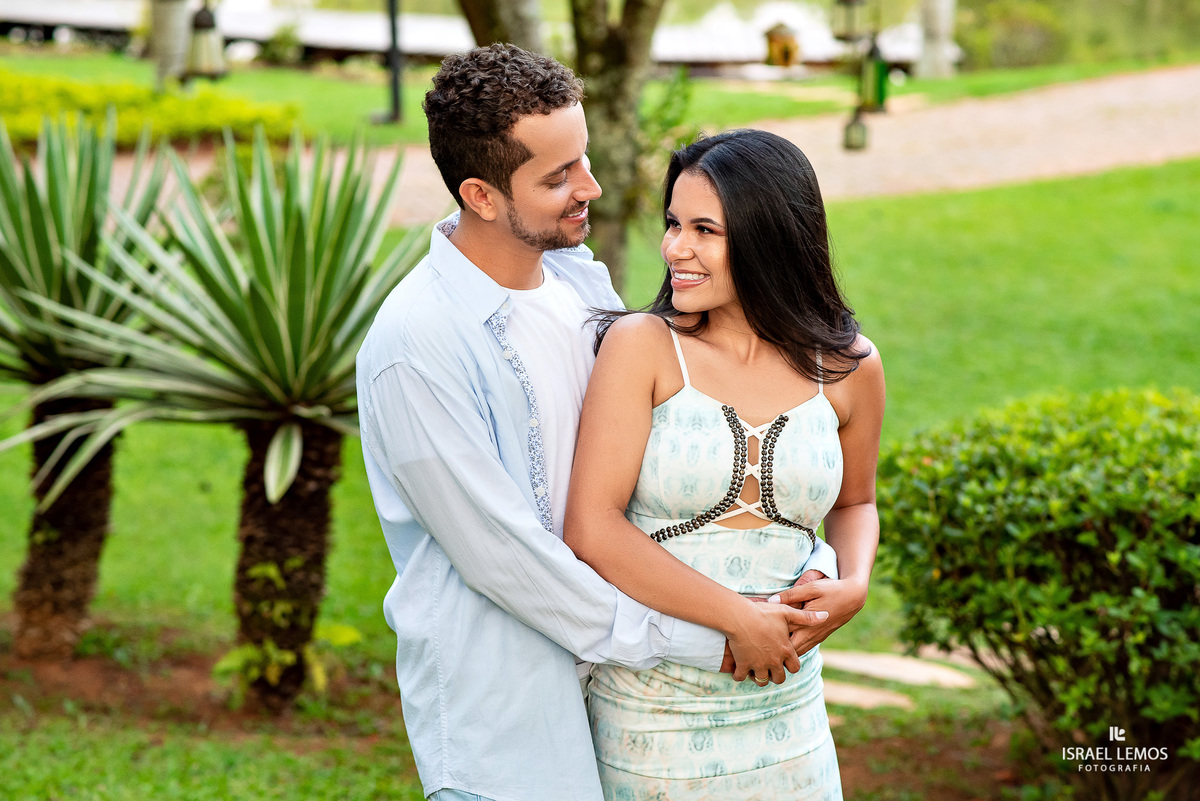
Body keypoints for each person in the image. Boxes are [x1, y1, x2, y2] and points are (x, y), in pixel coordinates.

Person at [356, 46, 841, 801]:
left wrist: (812, 568)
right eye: (558, 178)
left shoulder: (579, 282)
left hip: (628, 707)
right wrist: (711, 637)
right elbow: (507, 561)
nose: (593, 187)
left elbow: (682, 461)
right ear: (482, 195)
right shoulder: (417, 346)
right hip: (508, 731)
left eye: (581, 160)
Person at [564, 129, 885, 800]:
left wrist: (854, 583)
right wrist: (738, 618)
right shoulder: (642, 348)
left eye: (704, 229)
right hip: (656, 720)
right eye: (673, 224)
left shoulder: (850, 365)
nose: (675, 248)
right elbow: (592, 527)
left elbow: (855, 502)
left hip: (791, 719)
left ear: (770, 236)